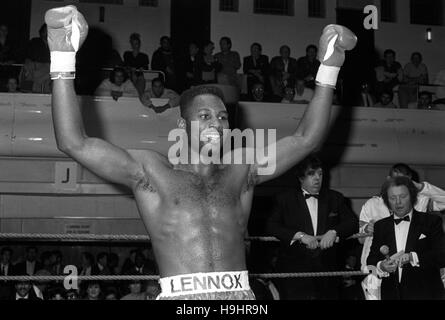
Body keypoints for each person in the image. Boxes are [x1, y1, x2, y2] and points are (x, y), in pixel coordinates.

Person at [46, 5, 356, 300]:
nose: (217, 124)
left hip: (239, 296)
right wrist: (62, 58)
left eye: (222, 117)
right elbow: (73, 142)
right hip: (182, 296)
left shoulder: (242, 170)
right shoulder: (152, 171)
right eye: (205, 117)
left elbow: (306, 139)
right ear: (183, 125)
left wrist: (329, 67)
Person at [266, 155, 358, 299]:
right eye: (311, 174)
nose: (317, 178)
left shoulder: (335, 198)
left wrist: (334, 232)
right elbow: (271, 226)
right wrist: (301, 236)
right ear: (301, 178)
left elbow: (352, 222)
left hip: (328, 272)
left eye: (320, 174)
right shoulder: (285, 199)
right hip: (295, 273)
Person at [366, 176, 445, 300]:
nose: (398, 202)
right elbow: (371, 261)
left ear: (412, 197)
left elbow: (441, 255)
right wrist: (382, 266)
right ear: (387, 200)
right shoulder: (380, 226)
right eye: (393, 198)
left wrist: (413, 257)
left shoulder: (431, 221)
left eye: (403, 197)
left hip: (426, 293)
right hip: (390, 294)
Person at [360, 163, 445, 273]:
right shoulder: (371, 204)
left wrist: (421, 187)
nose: (399, 184)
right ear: (388, 179)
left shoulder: (420, 201)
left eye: (404, 181)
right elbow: (360, 239)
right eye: (396, 180)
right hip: (378, 268)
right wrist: (367, 229)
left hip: (413, 266)